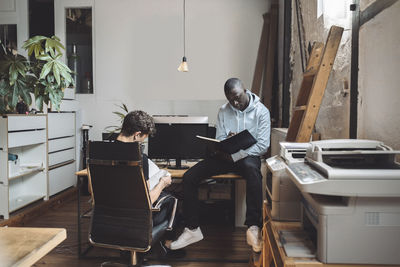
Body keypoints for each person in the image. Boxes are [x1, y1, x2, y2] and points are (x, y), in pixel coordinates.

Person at [168, 78, 270, 252]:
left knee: (254, 171)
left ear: (245, 90)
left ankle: (253, 226)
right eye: (231, 100)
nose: (235, 103)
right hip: (227, 156)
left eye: (237, 97)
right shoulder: (224, 110)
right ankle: (192, 229)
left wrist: (237, 155)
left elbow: (263, 145)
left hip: (248, 156)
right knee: (189, 177)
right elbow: (220, 138)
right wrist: (226, 141)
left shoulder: (262, 111)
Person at [115, 110, 173, 226]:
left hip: (107, 216)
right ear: (137, 134)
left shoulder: (98, 151)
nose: (141, 143)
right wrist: (162, 183)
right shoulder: (140, 158)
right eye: (142, 139)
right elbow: (147, 200)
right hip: (135, 220)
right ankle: (167, 243)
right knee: (170, 200)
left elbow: (92, 190)